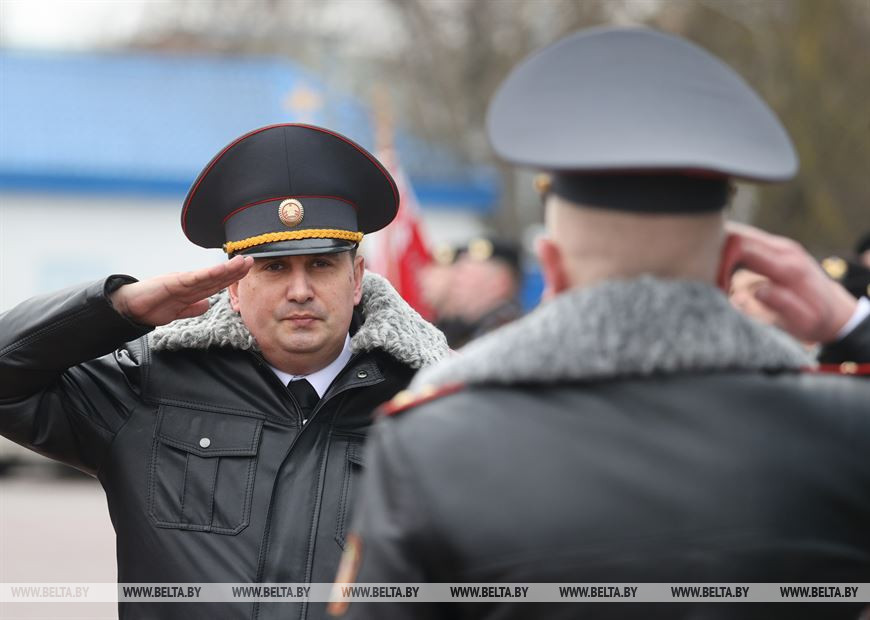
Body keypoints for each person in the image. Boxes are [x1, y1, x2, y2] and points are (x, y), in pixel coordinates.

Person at [331, 28, 870, 620]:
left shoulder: (435, 444)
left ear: (553, 270)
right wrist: (850, 326)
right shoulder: (844, 430)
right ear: (730, 266)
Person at [0, 123, 448, 620]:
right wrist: (118, 308)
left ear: (358, 278)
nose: (299, 291)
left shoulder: (428, 409)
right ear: (233, 287)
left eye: (320, 265)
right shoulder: (149, 386)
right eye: (273, 269)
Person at [433, 236, 525, 348]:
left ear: (499, 283)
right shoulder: (471, 329)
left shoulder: (503, 334)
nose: (454, 284)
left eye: (466, 274)